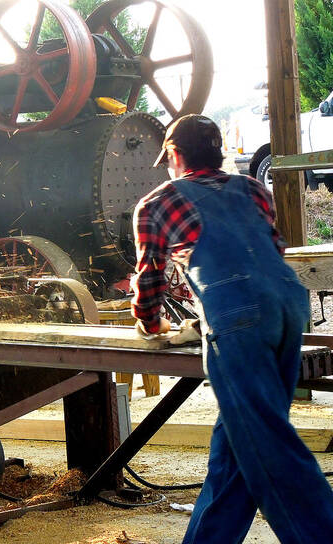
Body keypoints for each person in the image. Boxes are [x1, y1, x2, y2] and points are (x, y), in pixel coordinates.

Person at [130, 114, 333, 543]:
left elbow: (149, 278)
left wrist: (152, 326)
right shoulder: (255, 190)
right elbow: (266, 254)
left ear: (174, 154)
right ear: (219, 152)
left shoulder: (157, 203)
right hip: (288, 308)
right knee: (237, 450)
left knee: (269, 448)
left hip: (240, 322)